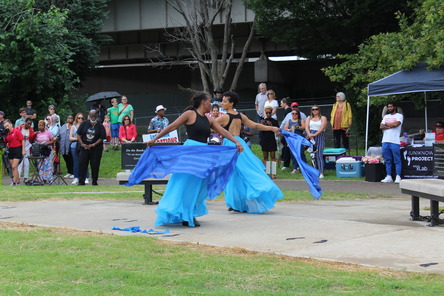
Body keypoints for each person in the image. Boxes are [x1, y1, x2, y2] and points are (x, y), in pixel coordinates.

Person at [146, 92, 243, 227]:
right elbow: (172, 126)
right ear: (203, 102)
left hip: (202, 155)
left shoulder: (209, 119)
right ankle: (179, 212)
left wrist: (236, 142)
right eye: (209, 101)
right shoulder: (190, 114)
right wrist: (155, 139)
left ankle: (189, 214)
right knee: (183, 183)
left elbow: (223, 132)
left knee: (198, 185)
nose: (212, 104)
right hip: (190, 153)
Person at [216, 91, 283, 213]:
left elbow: (210, 126)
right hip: (239, 143)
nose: (222, 103)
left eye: (225, 101)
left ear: (231, 104)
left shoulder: (224, 117)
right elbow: (256, 126)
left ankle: (240, 201)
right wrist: (272, 128)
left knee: (233, 175)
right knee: (242, 173)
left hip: (230, 145)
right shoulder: (241, 116)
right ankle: (238, 203)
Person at [76, 110, 106, 186]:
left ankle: (94, 181)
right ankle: (81, 181)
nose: (93, 117)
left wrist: (93, 144)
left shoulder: (100, 125)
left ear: (97, 116)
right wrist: (82, 144)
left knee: (95, 165)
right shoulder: (84, 124)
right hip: (84, 148)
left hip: (96, 149)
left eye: (94, 116)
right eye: (92, 116)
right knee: (82, 164)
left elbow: (102, 137)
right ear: (89, 116)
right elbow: (78, 134)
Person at [380, 102, 403, 183]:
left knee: (397, 160)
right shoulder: (386, 116)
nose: (389, 108)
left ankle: (398, 176)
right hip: (385, 140)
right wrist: (390, 125)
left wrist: (387, 125)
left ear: (395, 107)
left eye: (391, 107)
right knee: (388, 160)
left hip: (395, 141)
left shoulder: (399, 116)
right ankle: (389, 176)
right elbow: (381, 126)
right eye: (388, 107)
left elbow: (396, 124)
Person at [305, 105, 328, 179]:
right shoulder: (309, 117)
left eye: (316, 109)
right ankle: (314, 171)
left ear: (319, 110)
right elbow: (306, 127)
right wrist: (309, 134)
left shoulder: (323, 118)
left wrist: (315, 134)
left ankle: (321, 172)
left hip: (319, 135)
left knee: (319, 154)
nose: (314, 111)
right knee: (312, 155)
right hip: (310, 135)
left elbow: (322, 128)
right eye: (313, 109)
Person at [3, 119, 25, 185]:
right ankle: (17, 181)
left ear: (11, 124)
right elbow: (6, 142)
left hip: (17, 148)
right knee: (13, 167)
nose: (7, 127)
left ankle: (14, 182)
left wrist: (23, 150)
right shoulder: (6, 134)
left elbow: (22, 140)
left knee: (14, 166)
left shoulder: (16, 131)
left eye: (7, 125)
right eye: (5, 126)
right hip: (11, 149)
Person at [284, 109, 306, 174]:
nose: (294, 115)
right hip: (292, 139)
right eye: (293, 114)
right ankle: (295, 167)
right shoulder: (289, 121)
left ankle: (303, 167)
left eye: (295, 114)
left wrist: (297, 127)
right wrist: (289, 129)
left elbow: (304, 127)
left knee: (301, 153)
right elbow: (285, 128)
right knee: (293, 154)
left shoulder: (301, 120)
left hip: (299, 138)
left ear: (298, 114)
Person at [260, 106, 280, 179]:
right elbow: (260, 130)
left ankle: (273, 173)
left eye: (269, 112)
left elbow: (278, 130)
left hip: (271, 139)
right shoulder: (262, 121)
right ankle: (267, 172)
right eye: (267, 112)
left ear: (271, 113)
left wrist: (271, 125)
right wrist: (263, 124)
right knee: (265, 157)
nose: (268, 114)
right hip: (264, 140)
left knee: (272, 156)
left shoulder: (274, 121)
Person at [69, 113, 89, 185]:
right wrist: (78, 139)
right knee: (76, 162)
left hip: (83, 145)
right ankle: (76, 177)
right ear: (76, 118)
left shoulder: (86, 126)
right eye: (79, 118)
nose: (80, 119)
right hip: (75, 146)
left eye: (82, 118)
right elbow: (70, 137)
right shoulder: (73, 127)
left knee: (84, 161)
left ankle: (86, 177)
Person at [17, 118, 36, 183]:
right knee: (20, 163)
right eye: (28, 123)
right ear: (25, 122)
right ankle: (18, 177)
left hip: (27, 146)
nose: (29, 125)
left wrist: (35, 133)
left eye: (30, 124)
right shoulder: (19, 128)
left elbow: (32, 137)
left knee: (26, 162)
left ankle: (26, 178)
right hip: (20, 146)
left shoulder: (30, 129)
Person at [59, 114, 74, 178]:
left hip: (70, 145)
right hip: (63, 146)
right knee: (66, 159)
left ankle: (73, 172)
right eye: (69, 118)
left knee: (71, 159)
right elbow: (60, 134)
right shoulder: (63, 126)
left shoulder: (74, 126)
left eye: (71, 118)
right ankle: (69, 171)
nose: (70, 119)